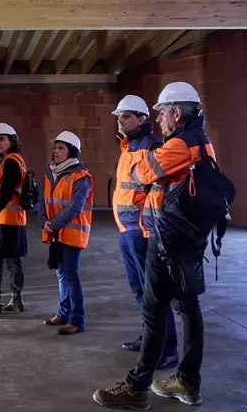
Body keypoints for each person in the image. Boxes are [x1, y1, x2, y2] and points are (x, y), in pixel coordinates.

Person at [94, 82, 213, 409]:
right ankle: (187, 382)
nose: (158, 119)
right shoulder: (199, 141)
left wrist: (154, 165)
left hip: (168, 239)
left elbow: (143, 170)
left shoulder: (181, 144)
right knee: (188, 309)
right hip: (186, 239)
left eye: (161, 113)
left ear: (177, 113)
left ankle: (136, 389)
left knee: (155, 309)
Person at [111, 95, 179, 369]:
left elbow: (156, 191)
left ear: (141, 119)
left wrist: (143, 227)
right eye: (119, 116)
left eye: (126, 116)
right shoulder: (128, 147)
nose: (120, 120)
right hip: (126, 229)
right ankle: (151, 338)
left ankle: (168, 348)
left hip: (140, 230)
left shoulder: (151, 146)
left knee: (154, 294)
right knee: (139, 290)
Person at [40, 131, 93, 336]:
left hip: (71, 233)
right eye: (55, 147)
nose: (56, 151)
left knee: (70, 276)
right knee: (61, 274)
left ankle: (77, 320)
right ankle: (63, 313)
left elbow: (75, 207)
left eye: (61, 147)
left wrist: (52, 224)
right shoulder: (50, 172)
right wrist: (44, 221)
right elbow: (42, 200)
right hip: (55, 232)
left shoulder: (81, 177)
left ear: (71, 151)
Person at [0, 123, 28, 319]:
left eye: (3, 139)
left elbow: (6, 192)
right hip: (15, 220)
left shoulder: (10, 162)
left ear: (12, 141)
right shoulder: (17, 160)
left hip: (3, 220)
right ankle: (16, 300)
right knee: (13, 261)